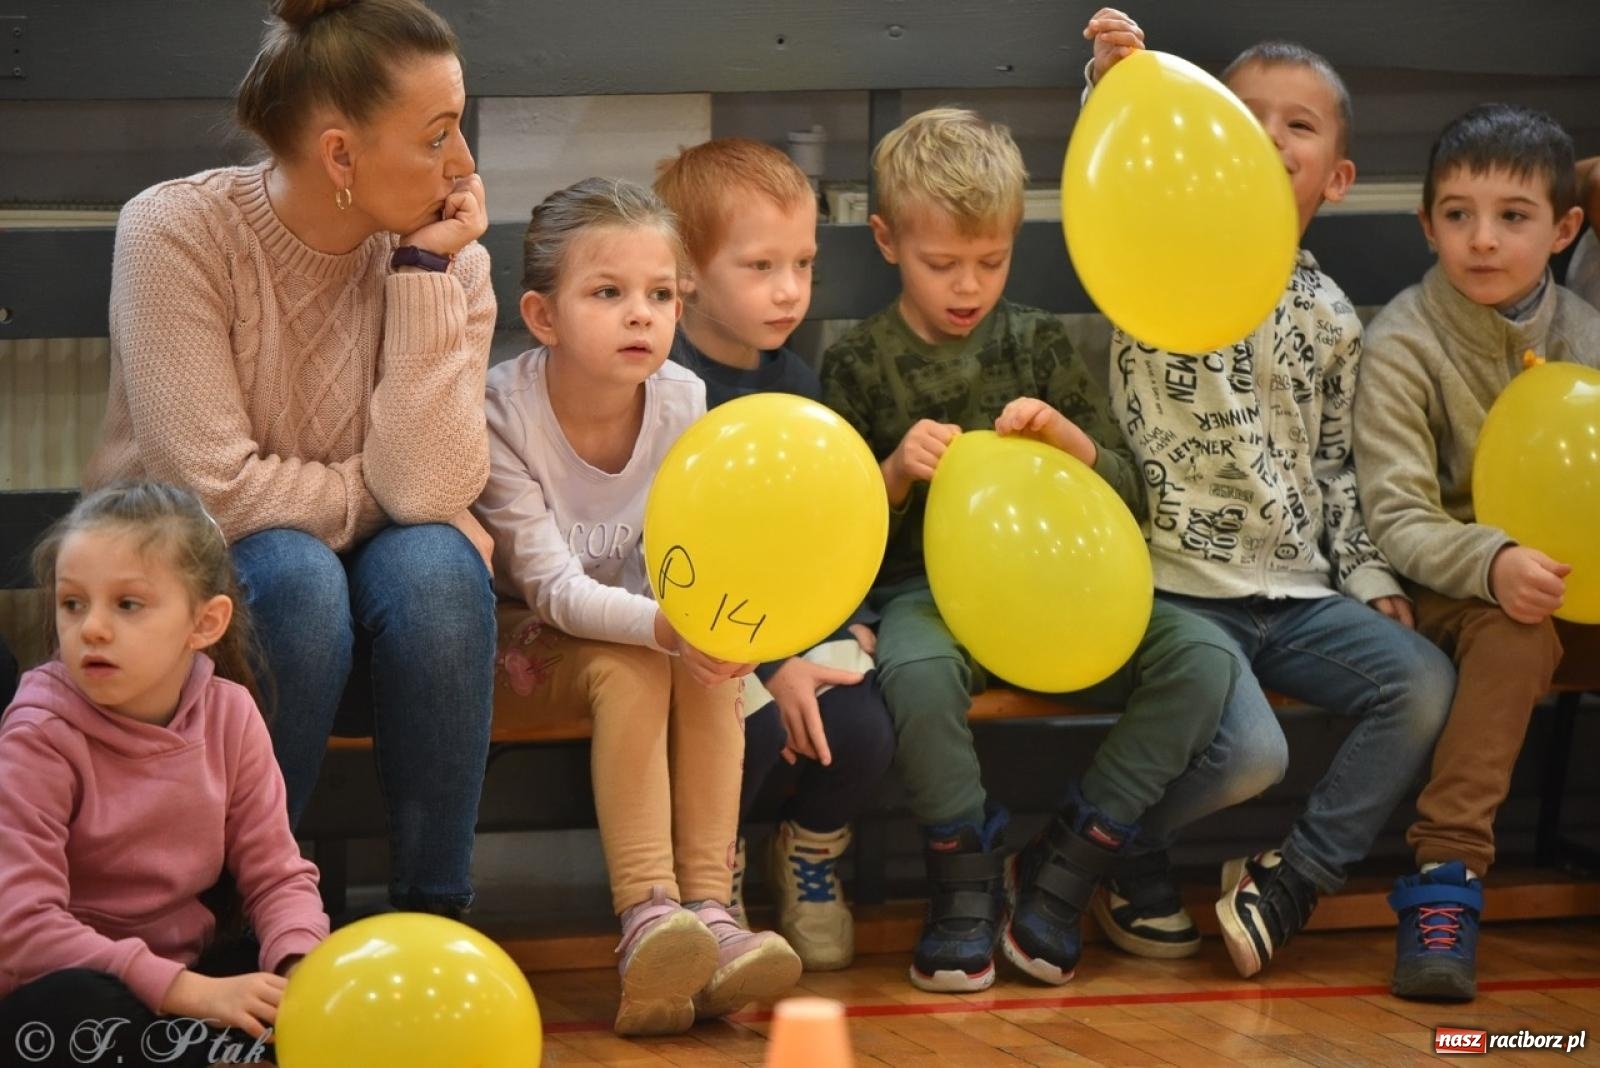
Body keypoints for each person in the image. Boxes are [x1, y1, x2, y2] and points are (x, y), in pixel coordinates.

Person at [820, 106, 1262, 992]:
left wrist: (1069, 438)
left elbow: (1132, 493)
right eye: (943, 263)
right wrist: (896, 471)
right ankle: (963, 880)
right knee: (913, 674)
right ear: (886, 241)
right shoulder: (860, 360)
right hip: (931, 596)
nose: (968, 285)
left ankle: (1074, 854)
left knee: (1204, 660)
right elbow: (836, 537)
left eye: (992, 261)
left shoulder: (1038, 339)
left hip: (1070, 593)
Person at [84, 0, 497, 917]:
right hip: (176, 567)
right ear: (340, 154)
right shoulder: (175, 232)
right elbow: (212, 494)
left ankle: (435, 921)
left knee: (436, 566)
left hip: (363, 561)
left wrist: (422, 281)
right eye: (436, 138)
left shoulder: (450, 258)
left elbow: (427, 495)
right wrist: (380, 494)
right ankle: (232, 924)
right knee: (301, 578)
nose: (465, 166)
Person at [1085, 13, 1455, 981]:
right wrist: (1113, 83)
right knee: (1253, 753)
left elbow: (1337, 467)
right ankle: (1116, 851)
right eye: (1244, 117)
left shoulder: (1331, 314)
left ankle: (1296, 875)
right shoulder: (1156, 253)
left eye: (1299, 126)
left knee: (1418, 682)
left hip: (1293, 591)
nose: (1269, 137)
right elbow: (1117, 176)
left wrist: (1369, 573)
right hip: (1175, 589)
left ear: (1336, 175)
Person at [472, 177, 802, 1036]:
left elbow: (684, 559)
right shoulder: (503, 410)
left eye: (661, 295)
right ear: (543, 317)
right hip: (522, 641)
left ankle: (712, 912)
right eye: (608, 293)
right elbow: (547, 585)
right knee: (638, 659)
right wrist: (665, 625)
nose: (640, 316)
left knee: (712, 666)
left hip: (642, 628)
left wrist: (707, 633)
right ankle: (649, 914)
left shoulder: (683, 401)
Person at [1355, 103, 1600, 1001]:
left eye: (1514, 216)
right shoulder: (1404, 343)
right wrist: (1493, 562)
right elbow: (1397, 516)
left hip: (1582, 581)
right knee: (1518, 633)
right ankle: (1444, 884)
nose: (1482, 240)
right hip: (1458, 590)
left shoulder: (1585, 334)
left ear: (1564, 229)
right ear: (1426, 224)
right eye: (1457, 215)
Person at [654, 137, 896, 973]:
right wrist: (778, 658)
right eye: (760, 266)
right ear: (686, 269)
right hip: (697, 640)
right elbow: (677, 556)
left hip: (792, 627)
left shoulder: (798, 382)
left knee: (862, 727)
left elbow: (826, 525)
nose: (789, 290)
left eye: (803, 263)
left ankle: (812, 852)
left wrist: (852, 626)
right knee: (750, 722)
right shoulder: (664, 386)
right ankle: (710, 877)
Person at [0, 483, 328, 1068]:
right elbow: (21, 928)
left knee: (314, 956)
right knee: (75, 1008)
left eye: (127, 604)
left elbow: (277, 876)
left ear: (205, 622)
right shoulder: (39, 733)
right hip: (62, 988)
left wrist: (301, 970)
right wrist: (189, 994)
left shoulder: (229, 714)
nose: (92, 629)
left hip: (184, 979)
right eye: (73, 604)